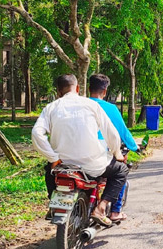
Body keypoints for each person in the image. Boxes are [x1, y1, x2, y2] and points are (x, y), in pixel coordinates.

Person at [32, 74, 128, 226]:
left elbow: (36, 133)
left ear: (58, 91)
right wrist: (117, 154)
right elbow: (112, 134)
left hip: (63, 165)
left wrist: (53, 157)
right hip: (93, 165)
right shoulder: (91, 105)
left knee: (49, 172)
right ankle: (101, 208)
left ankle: (55, 206)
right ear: (77, 88)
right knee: (120, 171)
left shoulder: (50, 107)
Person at [88, 74, 139, 222]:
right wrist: (134, 147)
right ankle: (114, 211)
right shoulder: (109, 108)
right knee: (121, 169)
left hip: (73, 154)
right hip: (100, 154)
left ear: (88, 88)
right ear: (105, 91)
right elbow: (122, 131)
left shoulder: (80, 105)